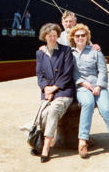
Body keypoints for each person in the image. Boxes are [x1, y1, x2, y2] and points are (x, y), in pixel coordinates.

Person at [69, 23, 109, 158]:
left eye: (83, 35)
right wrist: (83, 83)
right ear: (73, 38)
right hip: (82, 87)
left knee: (106, 109)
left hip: (98, 86)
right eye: (77, 36)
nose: (80, 38)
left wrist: (99, 86)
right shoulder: (70, 54)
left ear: (87, 37)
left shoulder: (96, 52)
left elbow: (103, 71)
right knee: (87, 104)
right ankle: (82, 142)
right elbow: (72, 74)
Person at [33, 23, 75, 163]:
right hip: (48, 91)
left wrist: (53, 88)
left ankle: (46, 147)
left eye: (55, 36)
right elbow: (39, 74)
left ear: (58, 36)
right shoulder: (40, 53)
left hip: (63, 90)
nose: (52, 38)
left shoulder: (65, 50)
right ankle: (41, 141)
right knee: (43, 115)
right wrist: (45, 88)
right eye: (49, 36)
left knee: (53, 111)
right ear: (44, 36)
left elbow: (68, 73)